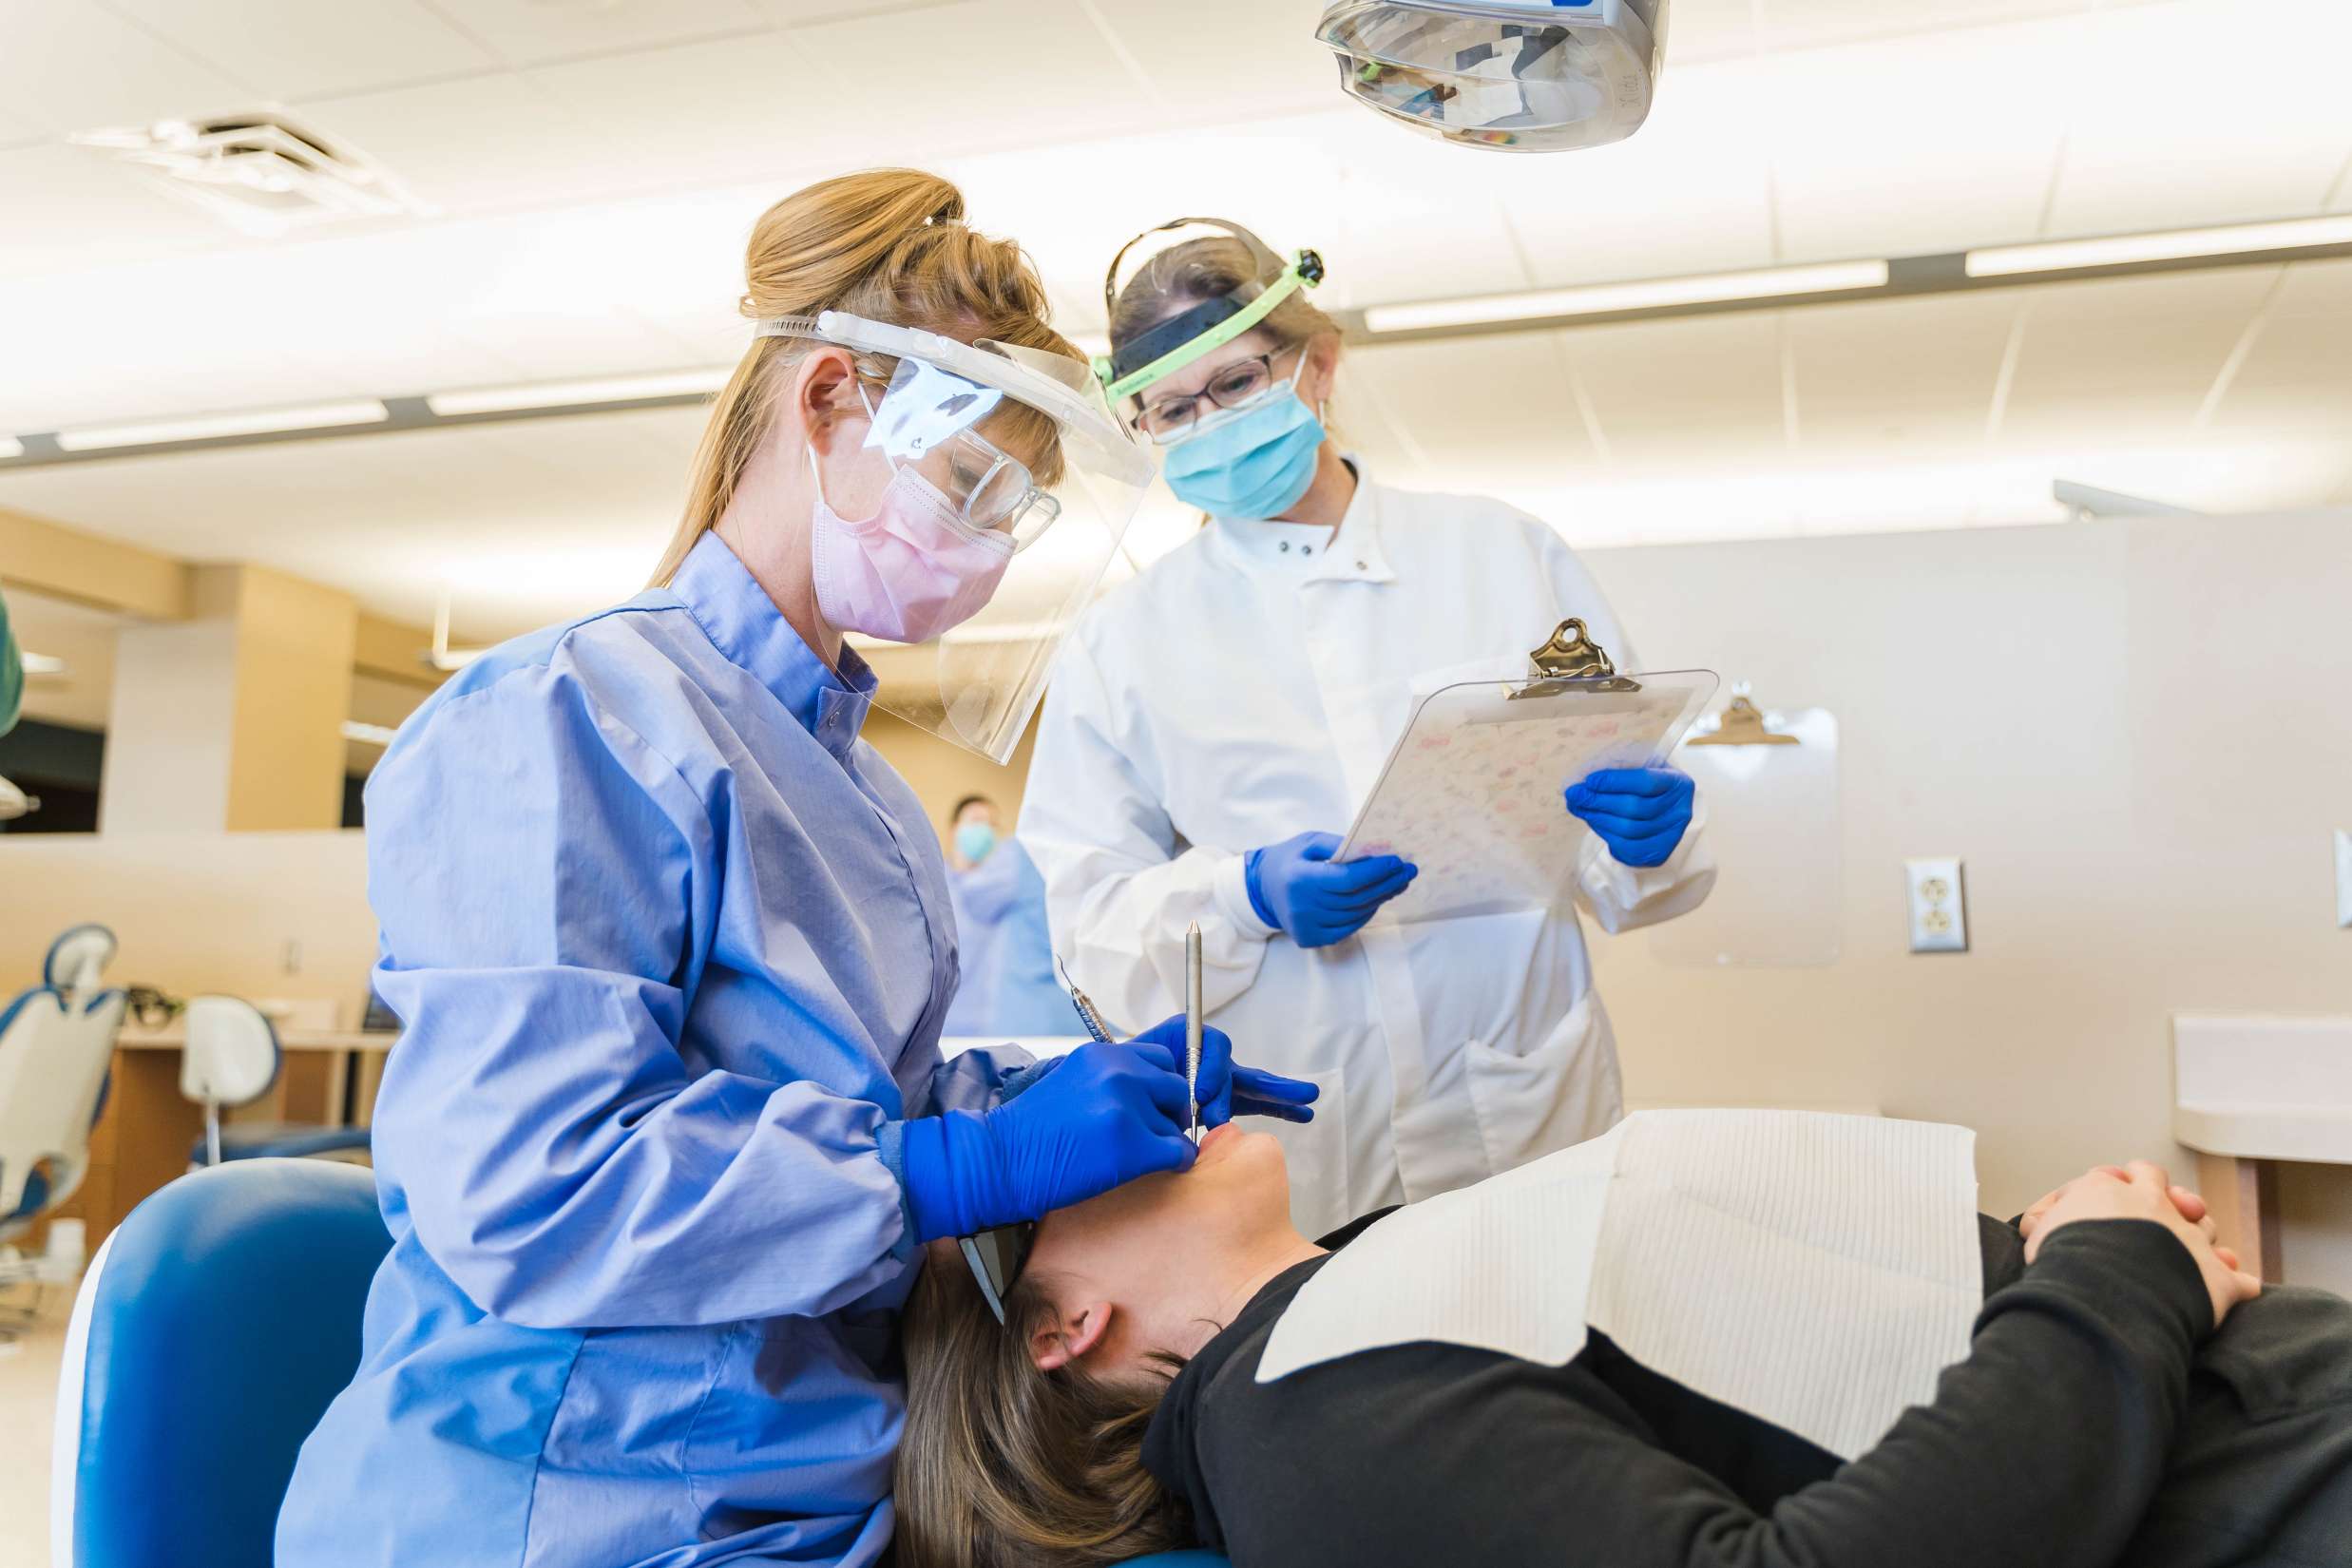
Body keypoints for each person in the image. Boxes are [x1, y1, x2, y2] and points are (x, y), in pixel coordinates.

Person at [276, 170, 1315, 1568]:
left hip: (817, 1481)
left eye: (1019, 517)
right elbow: (535, 1186)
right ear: (828, 405)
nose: (988, 554)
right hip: (573, 1497)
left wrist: (1039, 1098)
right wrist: (964, 1163)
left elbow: (849, 1094)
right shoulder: (563, 718)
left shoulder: (862, 789)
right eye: (972, 487)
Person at [1020, 219, 1716, 1236]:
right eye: (1171, 408)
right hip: (1306, 1159)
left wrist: (1647, 838)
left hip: (1526, 1120)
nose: (1208, 422)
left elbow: (1621, 858)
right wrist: (1243, 894)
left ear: (1319, 365)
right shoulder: (1120, 645)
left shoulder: (1504, 557)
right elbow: (1090, 928)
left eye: (1238, 384)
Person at [895, 1125, 2352, 1568]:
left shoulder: (1350, 1305)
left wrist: (2033, 1251)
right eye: (1056, 1147)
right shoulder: (1305, 1423)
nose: (1127, 1098)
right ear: (1061, 1325)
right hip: (2256, 1483)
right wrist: (2111, 1273)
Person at [943, 794, 1072, 1038]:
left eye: (992, 824)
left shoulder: (1008, 885)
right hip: (950, 1023)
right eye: (976, 821)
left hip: (997, 1020)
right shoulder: (936, 887)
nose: (985, 830)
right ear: (954, 830)